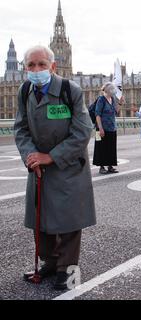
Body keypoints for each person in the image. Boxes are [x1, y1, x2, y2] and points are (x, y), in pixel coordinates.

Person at [14, 45, 96, 290]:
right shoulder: (25, 90)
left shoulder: (70, 90)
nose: (36, 70)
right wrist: (31, 157)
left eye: (41, 64)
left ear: (53, 66)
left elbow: (83, 131)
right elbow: (21, 128)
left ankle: (68, 271)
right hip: (38, 164)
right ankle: (50, 263)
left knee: (69, 222)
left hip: (67, 165)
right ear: (25, 68)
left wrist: (51, 157)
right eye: (31, 65)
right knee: (42, 218)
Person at [93, 82, 124, 174]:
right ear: (107, 90)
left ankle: (110, 166)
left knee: (111, 147)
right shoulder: (101, 99)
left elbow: (115, 112)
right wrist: (100, 128)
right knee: (101, 147)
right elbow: (97, 114)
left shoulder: (113, 99)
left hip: (112, 127)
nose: (114, 91)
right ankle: (101, 167)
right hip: (101, 128)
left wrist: (120, 103)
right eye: (112, 89)